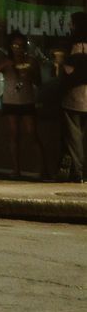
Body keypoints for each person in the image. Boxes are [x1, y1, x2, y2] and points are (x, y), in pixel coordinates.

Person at [0, 34, 43, 178]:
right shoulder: (6, 61)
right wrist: (6, 64)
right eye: (15, 46)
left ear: (25, 47)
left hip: (26, 101)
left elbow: (39, 81)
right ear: (10, 47)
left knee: (32, 133)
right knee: (13, 134)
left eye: (20, 46)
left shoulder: (31, 61)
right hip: (11, 101)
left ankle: (42, 168)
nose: (18, 49)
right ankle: (16, 169)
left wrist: (30, 73)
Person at [60, 12, 87, 184]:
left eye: (72, 23)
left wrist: (61, 63)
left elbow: (69, 70)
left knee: (74, 137)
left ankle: (79, 172)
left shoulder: (74, 45)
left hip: (74, 96)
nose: (70, 26)